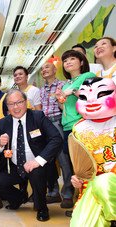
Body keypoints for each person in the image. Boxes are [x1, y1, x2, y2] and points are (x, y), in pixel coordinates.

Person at [0, 89, 62, 222]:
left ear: (26, 102)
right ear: (7, 107)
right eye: (11, 104)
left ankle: (42, 208)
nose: (15, 107)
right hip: (16, 167)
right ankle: (18, 198)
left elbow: (56, 139)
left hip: (37, 165)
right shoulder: (3, 123)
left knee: (37, 173)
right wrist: (0, 143)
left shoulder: (38, 116)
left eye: (19, 102)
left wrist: (38, 161)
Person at [70, 77, 116, 227]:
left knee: (104, 182)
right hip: (93, 185)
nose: (91, 101)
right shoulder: (78, 129)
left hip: (109, 182)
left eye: (101, 94)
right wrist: (77, 178)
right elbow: (83, 165)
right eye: (83, 97)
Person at [55, 50, 96, 209]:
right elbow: (63, 106)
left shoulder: (88, 76)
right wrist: (61, 98)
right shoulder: (65, 84)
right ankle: (80, 200)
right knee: (74, 166)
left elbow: (90, 97)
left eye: (72, 59)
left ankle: (88, 202)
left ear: (81, 62)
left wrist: (72, 91)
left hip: (81, 124)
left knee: (85, 165)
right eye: (65, 60)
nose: (68, 62)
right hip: (67, 126)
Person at [40, 62, 73, 205]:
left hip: (58, 122)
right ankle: (53, 192)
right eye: (42, 69)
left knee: (64, 159)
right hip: (44, 125)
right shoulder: (41, 90)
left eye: (47, 67)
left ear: (55, 69)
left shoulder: (63, 85)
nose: (44, 70)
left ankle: (67, 193)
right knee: (47, 160)